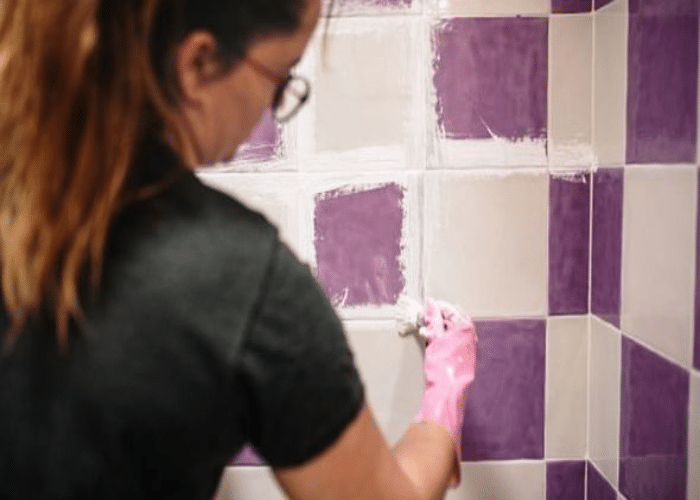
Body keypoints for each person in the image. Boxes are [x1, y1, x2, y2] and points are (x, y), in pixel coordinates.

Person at [0, 0, 477, 499]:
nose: (275, 105)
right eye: (282, 74)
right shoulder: (239, 282)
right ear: (198, 64)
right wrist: (444, 400)